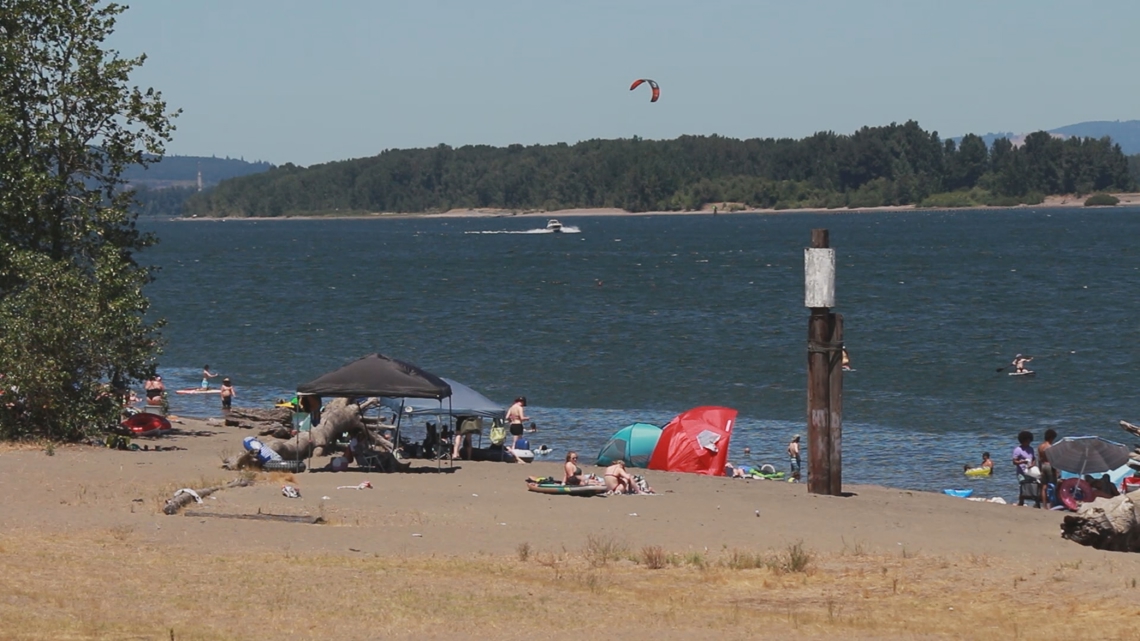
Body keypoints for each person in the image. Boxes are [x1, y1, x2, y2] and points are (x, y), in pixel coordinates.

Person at [1013, 430, 1041, 507]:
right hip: (1021, 472)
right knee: (1022, 485)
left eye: (1029, 440)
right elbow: (1014, 461)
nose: (1028, 442)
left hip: (1030, 470)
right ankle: (1021, 501)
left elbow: (1034, 459)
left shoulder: (1031, 449)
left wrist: (1032, 464)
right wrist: (1022, 462)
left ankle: (1037, 501)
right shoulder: (1018, 450)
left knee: (1035, 484)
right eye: (1027, 440)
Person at [1037, 428, 1058, 506]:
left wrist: (1040, 469)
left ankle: (1044, 505)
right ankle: (1052, 504)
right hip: (1049, 465)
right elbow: (1052, 460)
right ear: (1051, 438)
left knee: (1044, 486)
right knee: (1053, 485)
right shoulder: (1050, 447)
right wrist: (1055, 470)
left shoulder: (1040, 446)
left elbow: (1039, 459)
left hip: (1043, 465)